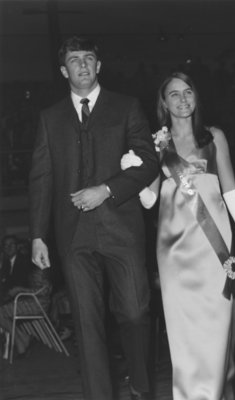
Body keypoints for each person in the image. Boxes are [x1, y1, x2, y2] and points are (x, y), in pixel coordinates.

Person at [29, 36, 158, 400]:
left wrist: (107, 189)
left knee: (135, 313)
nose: (82, 65)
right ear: (63, 70)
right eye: (74, 60)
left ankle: (140, 387)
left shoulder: (127, 107)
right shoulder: (49, 118)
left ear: (99, 66)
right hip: (74, 236)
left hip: (122, 230)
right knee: (87, 327)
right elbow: (41, 178)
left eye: (88, 59)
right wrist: (38, 235)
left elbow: (149, 161)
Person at [121, 71, 235, 400]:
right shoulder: (157, 143)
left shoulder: (214, 137)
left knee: (216, 331)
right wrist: (133, 173)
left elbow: (231, 190)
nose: (183, 100)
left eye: (188, 92)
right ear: (163, 103)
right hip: (175, 253)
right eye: (174, 94)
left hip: (215, 251)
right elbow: (150, 199)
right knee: (184, 337)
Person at [0, 235, 51, 357]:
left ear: (17, 247)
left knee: (0, 313)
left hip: (32, 301)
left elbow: (42, 287)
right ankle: (22, 340)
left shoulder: (25, 261)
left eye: (12, 244)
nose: (8, 248)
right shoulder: (6, 264)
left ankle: (21, 340)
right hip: (17, 299)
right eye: (5, 245)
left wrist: (16, 290)